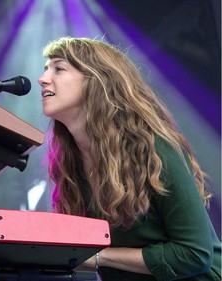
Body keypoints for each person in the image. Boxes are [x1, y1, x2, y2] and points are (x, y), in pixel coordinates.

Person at [37, 37, 221, 281]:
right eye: (45, 69)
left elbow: (194, 254)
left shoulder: (155, 150)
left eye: (58, 68)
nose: (43, 78)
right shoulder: (69, 164)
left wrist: (99, 257)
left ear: (98, 81)